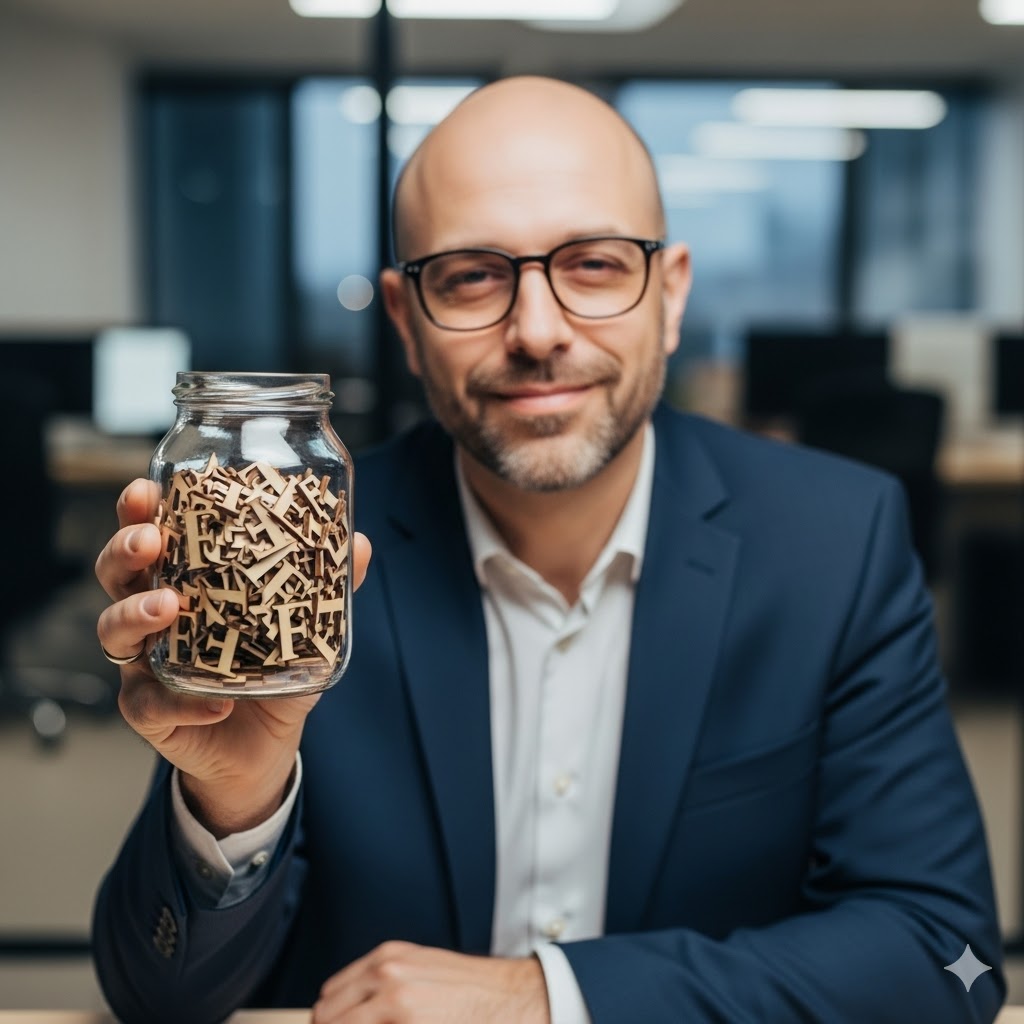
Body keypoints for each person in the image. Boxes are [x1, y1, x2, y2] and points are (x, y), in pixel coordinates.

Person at [92, 76, 1004, 1024]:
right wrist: (233, 802)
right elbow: (162, 999)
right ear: (406, 321)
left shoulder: (834, 546)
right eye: (473, 275)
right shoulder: (303, 563)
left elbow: (953, 962)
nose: (536, 332)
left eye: (597, 265)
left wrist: (550, 997)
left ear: (673, 292)